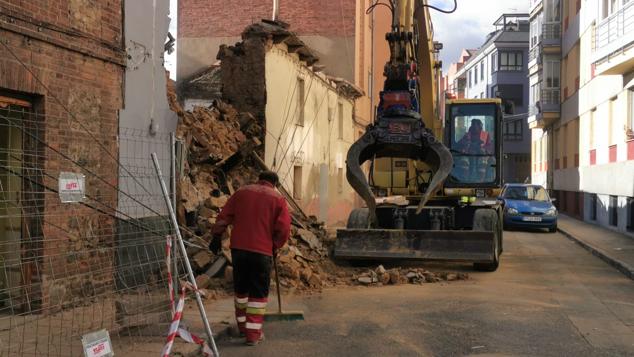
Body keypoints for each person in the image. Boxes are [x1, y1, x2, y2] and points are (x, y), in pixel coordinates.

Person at [209, 170, 291, 346]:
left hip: (239, 250)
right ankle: (253, 335)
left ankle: (242, 328)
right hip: (262, 252)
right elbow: (283, 229)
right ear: (275, 183)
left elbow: (224, 216)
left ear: (259, 179)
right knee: (257, 293)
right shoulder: (278, 199)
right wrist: (275, 246)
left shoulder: (241, 193)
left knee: (242, 291)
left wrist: (216, 236)